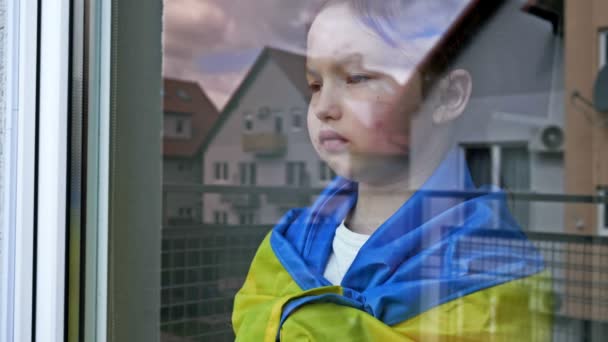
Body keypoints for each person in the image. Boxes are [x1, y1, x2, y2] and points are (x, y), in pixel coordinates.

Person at [233, 0, 552, 340]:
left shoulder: (492, 269)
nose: (324, 107)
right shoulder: (289, 242)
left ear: (447, 97)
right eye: (315, 85)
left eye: (356, 78)